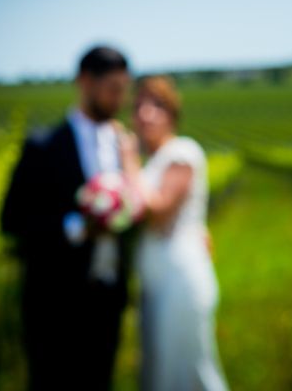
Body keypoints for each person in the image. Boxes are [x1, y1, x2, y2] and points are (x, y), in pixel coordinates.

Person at [1, 46, 132, 391]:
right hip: (54, 302)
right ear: (85, 82)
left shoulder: (123, 146)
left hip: (107, 298)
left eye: (123, 89)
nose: (120, 99)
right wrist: (75, 228)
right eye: (113, 89)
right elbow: (11, 220)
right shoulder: (43, 146)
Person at [118, 76, 228, 391]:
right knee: (159, 366)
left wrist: (128, 163)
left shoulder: (182, 152)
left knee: (189, 367)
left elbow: (158, 212)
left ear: (172, 113)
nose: (146, 114)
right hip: (156, 279)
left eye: (157, 105)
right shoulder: (153, 161)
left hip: (180, 279)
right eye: (138, 106)